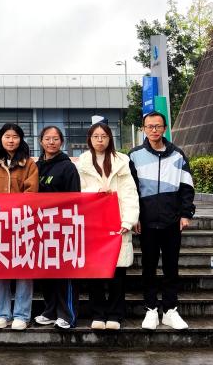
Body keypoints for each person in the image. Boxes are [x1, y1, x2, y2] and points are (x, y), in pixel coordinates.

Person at [129, 111, 195, 331]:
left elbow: (187, 187)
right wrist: (135, 216)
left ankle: (170, 310)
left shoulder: (177, 155)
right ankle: (150, 309)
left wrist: (186, 214)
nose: (154, 130)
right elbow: (130, 190)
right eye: (149, 126)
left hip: (171, 221)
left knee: (170, 267)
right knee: (148, 267)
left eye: (158, 126)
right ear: (143, 129)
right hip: (146, 222)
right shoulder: (134, 156)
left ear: (165, 128)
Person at [77, 122, 139, 330]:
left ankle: (115, 314)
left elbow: (130, 193)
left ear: (110, 138)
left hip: (117, 222)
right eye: (96, 136)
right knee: (95, 272)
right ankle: (98, 313)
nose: (100, 140)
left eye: (103, 136)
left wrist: (128, 220)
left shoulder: (122, 161)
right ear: (90, 139)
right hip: (94, 224)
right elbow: (78, 192)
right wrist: (96, 193)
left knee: (118, 273)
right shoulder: (83, 162)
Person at [0, 123, 38, 330]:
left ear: (21, 140)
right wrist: (0, 212)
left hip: (22, 224)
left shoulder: (29, 164)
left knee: (24, 268)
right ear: (1, 139)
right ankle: (3, 313)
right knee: (1, 266)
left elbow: (31, 192)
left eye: (15, 136)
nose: (11, 140)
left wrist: (15, 210)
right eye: (7, 136)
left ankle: (22, 314)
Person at [33, 126, 82, 329]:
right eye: (47, 138)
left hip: (62, 227)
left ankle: (67, 314)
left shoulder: (68, 167)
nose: (51, 142)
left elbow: (74, 198)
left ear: (61, 142)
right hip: (40, 228)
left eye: (55, 139)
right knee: (46, 272)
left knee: (64, 273)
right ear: (41, 141)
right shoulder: (35, 167)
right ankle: (50, 311)